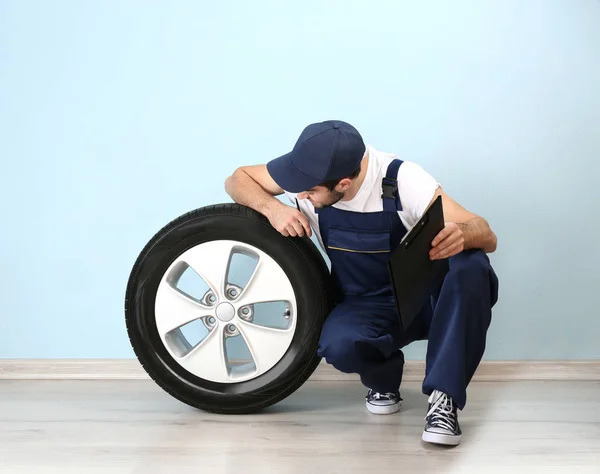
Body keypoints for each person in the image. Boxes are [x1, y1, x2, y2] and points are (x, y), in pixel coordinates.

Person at [224, 120, 499, 446]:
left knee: (472, 263)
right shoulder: (310, 170)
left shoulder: (401, 179)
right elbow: (237, 179)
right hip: (368, 301)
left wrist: (463, 235)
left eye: (309, 192)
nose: (299, 196)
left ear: (342, 184)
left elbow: (486, 233)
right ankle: (384, 380)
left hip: (429, 298)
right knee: (339, 344)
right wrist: (271, 208)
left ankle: (444, 399)